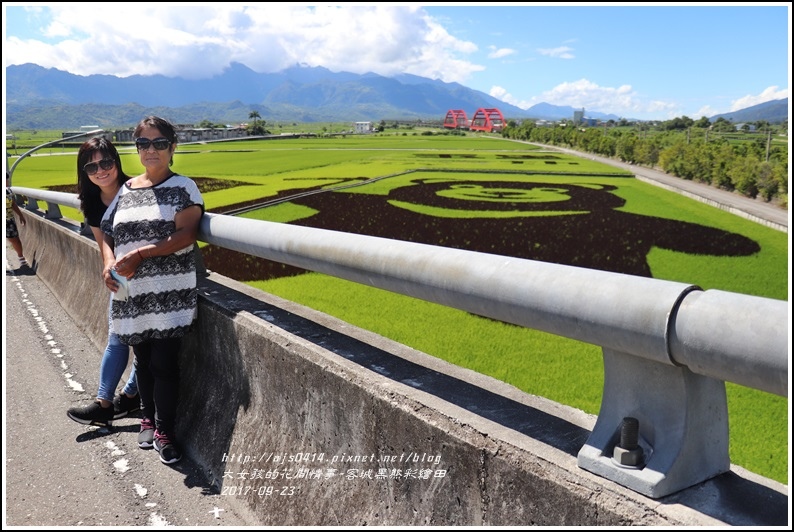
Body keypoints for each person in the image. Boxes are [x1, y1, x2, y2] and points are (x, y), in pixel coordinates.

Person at [100, 116, 204, 465]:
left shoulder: (184, 187)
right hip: (132, 294)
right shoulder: (127, 189)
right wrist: (108, 264)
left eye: (159, 143)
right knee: (143, 361)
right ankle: (146, 417)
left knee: (164, 363)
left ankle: (165, 430)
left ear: (173, 147)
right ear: (137, 148)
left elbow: (186, 235)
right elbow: (106, 233)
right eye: (144, 144)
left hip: (169, 294)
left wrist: (142, 253)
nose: (151, 150)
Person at [66, 137, 141, 427]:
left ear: (116, 162)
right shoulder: (91, 201)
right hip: (122, 274)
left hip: (152, 274)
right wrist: (109, 265)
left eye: (106, 162)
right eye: (92, 166)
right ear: (84, 172)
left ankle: (131, 395)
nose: (101, 170)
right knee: (118, 336)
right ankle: (104, 402)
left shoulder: (136, 189)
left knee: (148, 339)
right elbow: (103, 242)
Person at [6, 171, 27, 267]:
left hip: (9, 220)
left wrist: (20, 215)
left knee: (14, 239)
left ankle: (21, 258)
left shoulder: (8, 191)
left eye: (6, 179)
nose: (7, 181)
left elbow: (13, 204)